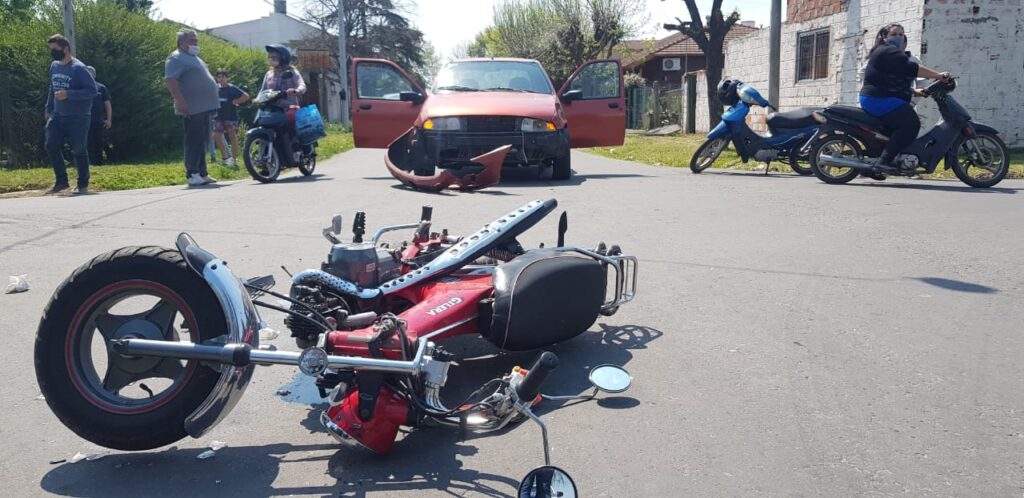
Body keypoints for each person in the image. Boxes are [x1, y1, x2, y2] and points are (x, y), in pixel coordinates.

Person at [859, 23, 951, 177]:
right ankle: (883, 162)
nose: (898, 37)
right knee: (911, 124)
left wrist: (914, 91)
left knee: (893, 131)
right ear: (885, 37)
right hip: (878, 99)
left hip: (879, 97)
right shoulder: (888, 51)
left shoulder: (886, 51)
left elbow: (889, 79)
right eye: (894, 34)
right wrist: (939, 76)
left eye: (901, 35)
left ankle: (874, 166)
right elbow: (913, 68)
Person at [164, 28, 220, 187]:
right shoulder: (176, 58)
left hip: (205, 106)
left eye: (196, 40)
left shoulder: (194, 58)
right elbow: (170, 80)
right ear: (182, 43)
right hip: (192, 107)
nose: (196, 44)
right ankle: (192, 173)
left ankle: (202, 173)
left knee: (203, 140)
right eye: (192, 41)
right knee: (193, 140)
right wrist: (180, 102)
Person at [44, 34, 97, 194]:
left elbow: (92, 90)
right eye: (51, 49)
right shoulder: (54, 66)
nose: (53, 52)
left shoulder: (79, 68)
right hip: (58, 115)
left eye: (55, 49)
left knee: (79, 149)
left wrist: (69, 94)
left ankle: (82, 183)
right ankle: (62, 181)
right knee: (51, 145)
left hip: (78, 116)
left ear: (65, 49)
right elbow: (52, 87)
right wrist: (48, 108)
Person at [213, 69, 249, 166]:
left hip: (230, 116)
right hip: (218, 116)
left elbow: (246, 96)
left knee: (232, 136)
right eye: (219, 77)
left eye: (223, 77)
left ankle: (234, 159)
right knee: (216, 135)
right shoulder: (215, 88)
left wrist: (236, 101)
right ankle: (225, 158)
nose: (221, 79)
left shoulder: (232, 88)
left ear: (227, 78)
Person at [260, 44, 306, 112]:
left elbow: (302, 85)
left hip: (289, 110)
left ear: (282, 58)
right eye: (269, 57)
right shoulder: (269, 74)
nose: (271, 59)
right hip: (270, 110)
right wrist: (257, 100)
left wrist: (296, 91)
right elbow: (263, 91)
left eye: (273, 57)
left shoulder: (292, 72)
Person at [85, 66, 112, 166]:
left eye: (91, 73)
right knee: (87, 142)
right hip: (85, 120)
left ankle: (99, 163)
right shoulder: (81, 88)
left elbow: (107, 105)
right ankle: (89, 163)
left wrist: (109, 119)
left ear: (95, 75)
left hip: (98, 120)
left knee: (99, 142)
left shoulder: (102, 88)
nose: (89, 75)